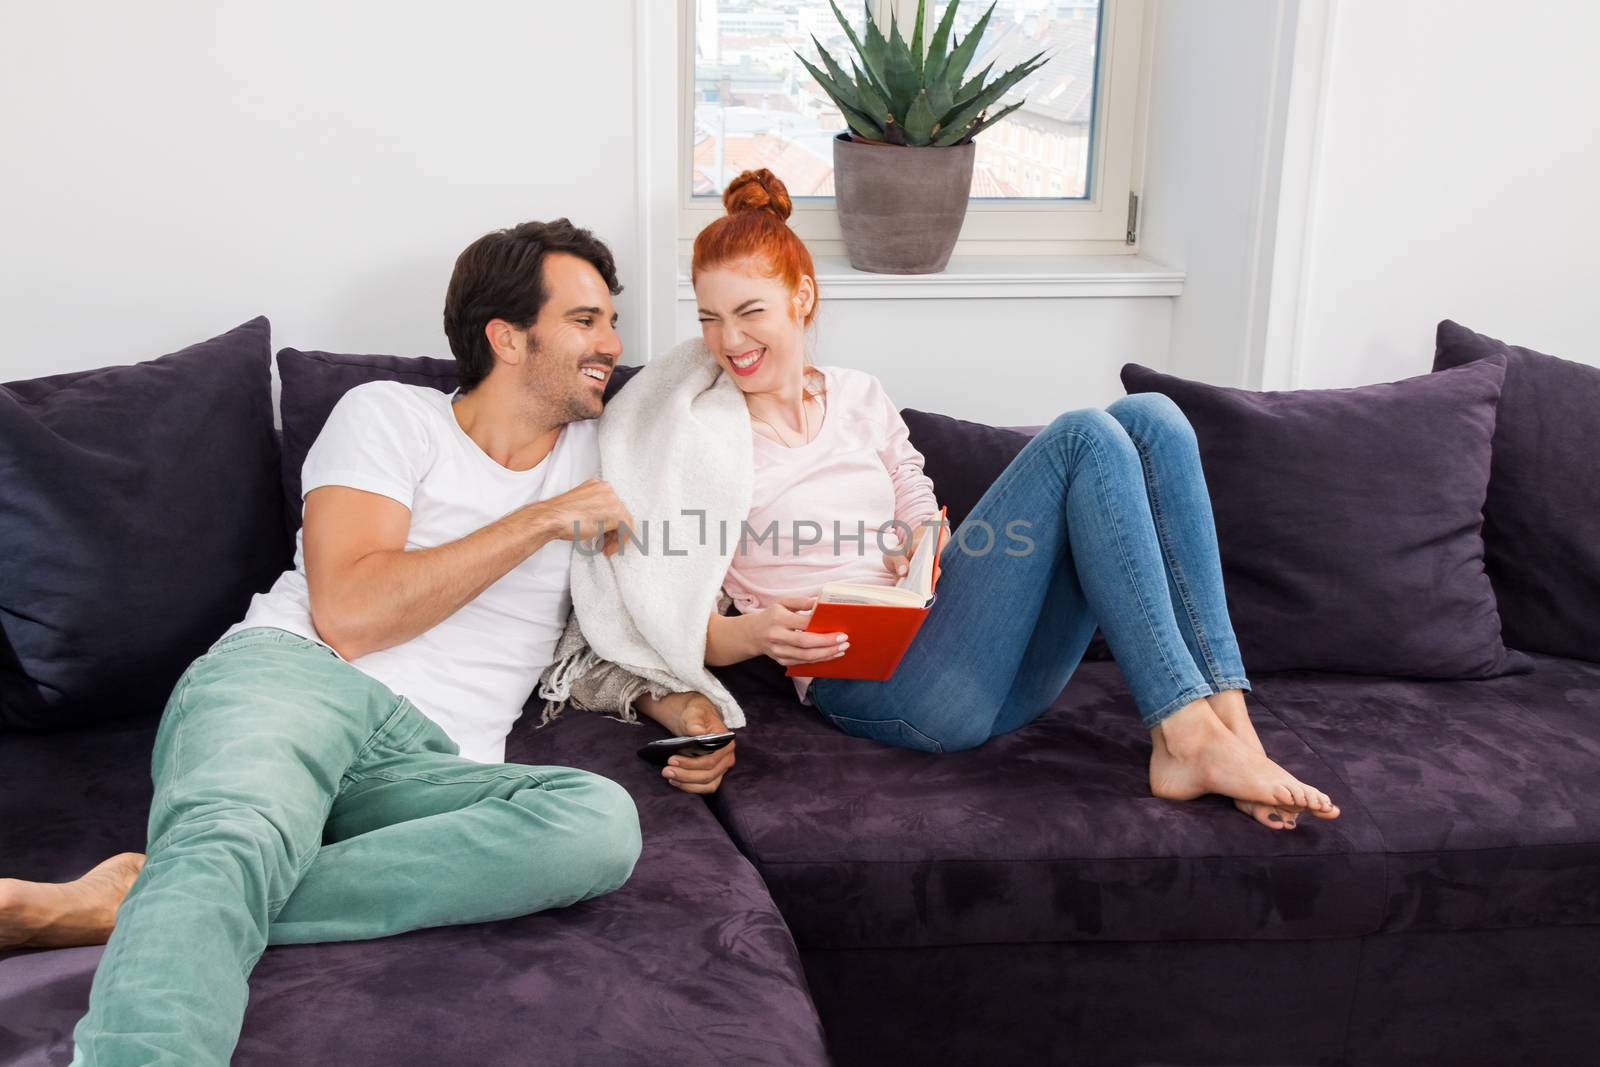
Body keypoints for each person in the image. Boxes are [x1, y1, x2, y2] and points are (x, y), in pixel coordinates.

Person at [0, 219, 735, 1064]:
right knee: (234, 835)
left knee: (598, 822)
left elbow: (608, 623)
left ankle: (154, 896)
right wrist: (536, 522)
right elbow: (348, 610)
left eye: (611, 320)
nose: (612, 343)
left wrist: (675, 699)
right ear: (505, 336)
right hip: (292, 681)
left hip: (432, 759)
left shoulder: (602, 461)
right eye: (585, 320)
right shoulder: (391, 416)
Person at [690, 169, 1340, 831]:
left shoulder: (859, 393)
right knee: (1083, 435)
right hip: (882, 686)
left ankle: (1230, 727)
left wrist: (921, 537)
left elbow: (915, 493)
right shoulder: (705, 437)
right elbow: (680, 621)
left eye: (749, 313)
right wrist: (755, 632)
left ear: (801, 298)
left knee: (1154, 417)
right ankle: (1186, 733)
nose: (730, 342)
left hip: (983, 658)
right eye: (710, 319)